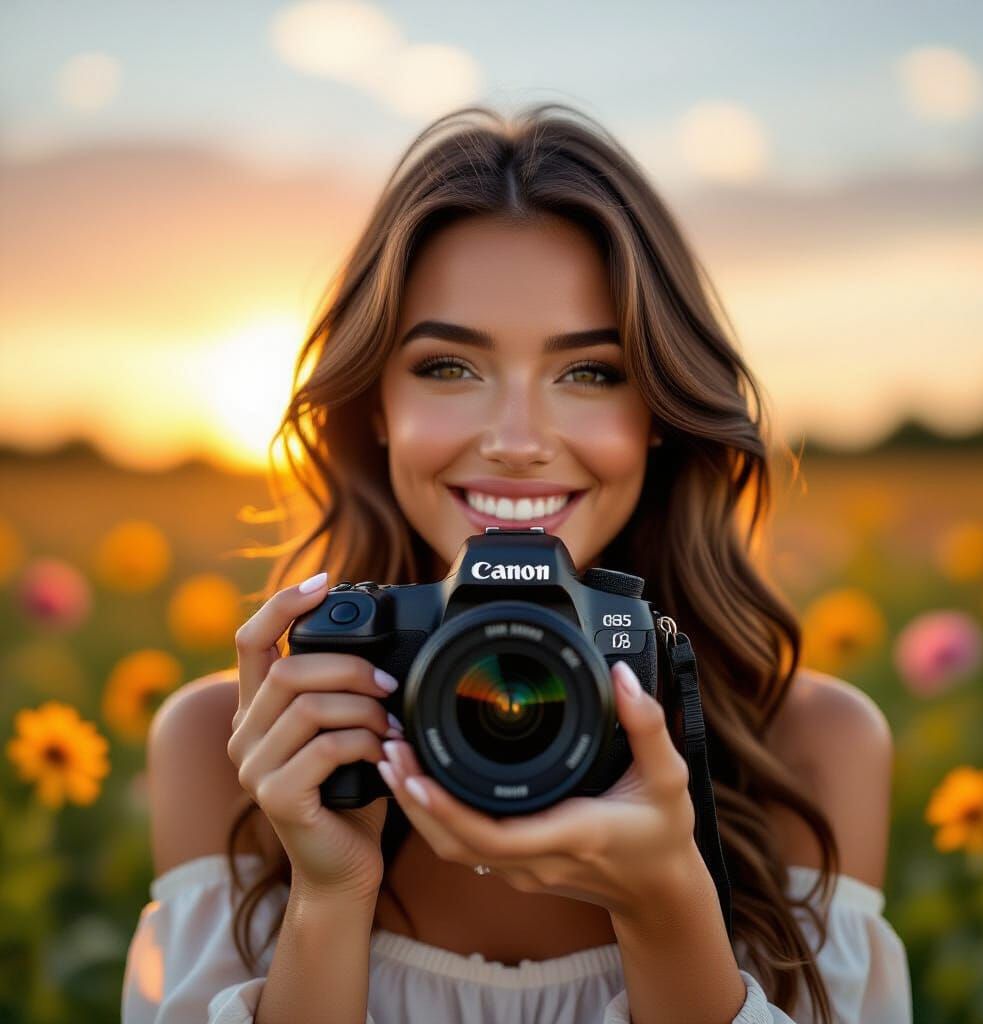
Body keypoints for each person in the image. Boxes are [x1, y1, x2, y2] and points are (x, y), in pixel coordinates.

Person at [121, 104, 913, 1024]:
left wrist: (665, 903)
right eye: (450, 367)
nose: (517, 443)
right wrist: (329, 895)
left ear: (658, 411)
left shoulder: (809, 750)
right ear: (375, 402)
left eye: (591, 373)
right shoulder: (235, 743)